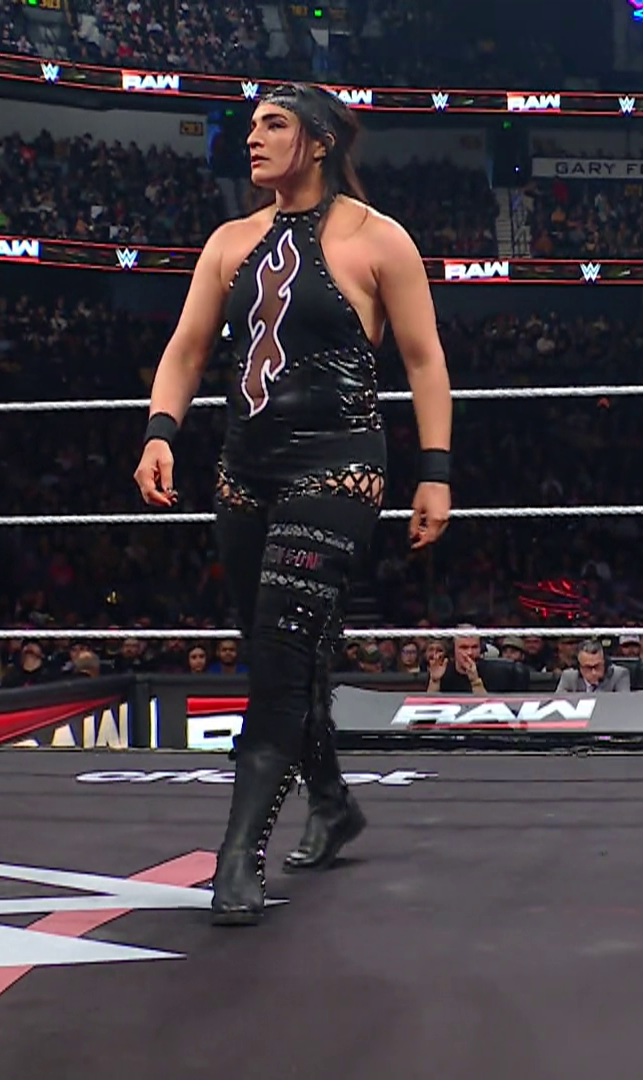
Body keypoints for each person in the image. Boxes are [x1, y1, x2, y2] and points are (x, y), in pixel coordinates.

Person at [133, 83, 454, 925]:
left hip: (337, 465)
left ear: (317, 142)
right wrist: (161, 432)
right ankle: (334, 801)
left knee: (279, 656)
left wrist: (435, 471)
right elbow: (185, 349)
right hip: (245, 470)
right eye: (251, 126)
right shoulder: (230, 241)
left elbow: (424, 359)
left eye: (273, 125)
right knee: (279, 651)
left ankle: (238, 854)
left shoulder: (377, 238)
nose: (253, 138)